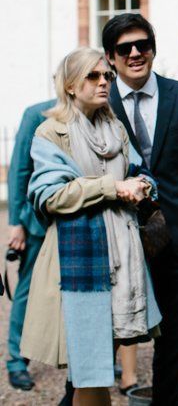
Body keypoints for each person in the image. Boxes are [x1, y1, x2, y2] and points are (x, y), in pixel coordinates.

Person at [23, 48, 161, 406]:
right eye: (93, 76)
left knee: (101, 366)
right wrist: (112, 187)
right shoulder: (51, 132)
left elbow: (139, 173)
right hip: (81, 260)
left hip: (125, 255)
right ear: (70, 85)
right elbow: (49, 195)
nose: (104, 82)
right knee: (90, 371)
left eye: (107, 76)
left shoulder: (115, 128)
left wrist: (143, 185)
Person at [103, 13, 178, 404]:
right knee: (105, 333)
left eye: (143, 45)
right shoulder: (101, 103)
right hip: (120, 239)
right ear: (111, 57)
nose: (135, 53)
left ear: (153, 49)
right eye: (125, 48)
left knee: (174, 341)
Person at [5, 99, 54, 391]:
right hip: (37, 222)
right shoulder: (36, 114)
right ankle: (16, 360)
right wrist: (15, 223)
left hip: (79, 221)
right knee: (26, 291)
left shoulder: (97, 111)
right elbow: (19, 170)